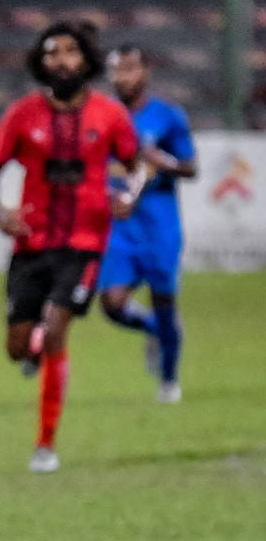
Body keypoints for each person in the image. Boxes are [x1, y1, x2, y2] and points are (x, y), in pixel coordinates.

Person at [0, 21, 140, 473]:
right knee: (17, 347)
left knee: (56, 331)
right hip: (31, 244)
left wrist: (129, 195)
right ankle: (30, 349)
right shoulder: (23, 114)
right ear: (41, 62)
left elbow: (136, 167)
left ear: (87, 60)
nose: (62, 60)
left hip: (84, 243)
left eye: (71, 51)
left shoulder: (109, 115)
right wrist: (0, 211)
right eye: (52, 53)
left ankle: (45, 445)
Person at [97, 44, 196, 403]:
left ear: (145, 72)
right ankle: (155, 329)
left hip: (159, 224)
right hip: (119, 225)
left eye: (130, 70)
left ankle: (169, 381)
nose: (123, 78)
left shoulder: (167, 117)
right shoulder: (102, 115)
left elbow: (191, 167)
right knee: (111, 303)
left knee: (164, 300)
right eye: (116, 71)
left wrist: (162, 161)